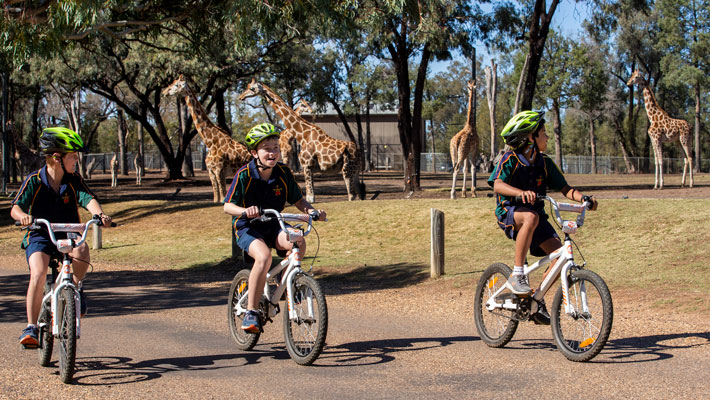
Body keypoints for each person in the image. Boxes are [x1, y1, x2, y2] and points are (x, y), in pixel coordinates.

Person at [487, 111, 598, 325]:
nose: (547, 137)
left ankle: (536, 300)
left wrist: (584, 199)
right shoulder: (510, 159)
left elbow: (565, 188)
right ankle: (517, 274)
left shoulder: (545, 163)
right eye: (543, 133)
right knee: (529, 217)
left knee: (559, 256)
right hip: (509, 211)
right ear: (531, 137)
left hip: (537, 218)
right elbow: (497, 184)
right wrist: (520, 193)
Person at [11, 127, 113, 348]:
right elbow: (16, 208)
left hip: (68, 231)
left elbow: (88, 199)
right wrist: (24, 217)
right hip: (40, 233)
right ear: (57, 158)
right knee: (38, 273)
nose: (76, 160)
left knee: (82, 249)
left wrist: (99, 214)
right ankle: (31, 327)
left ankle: (74, 287)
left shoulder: (74, 180)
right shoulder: (34, 180)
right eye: (73, 156)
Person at [223, 123, 326, 334]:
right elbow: (227, 206)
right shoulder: (244, 175)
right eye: (266, 148)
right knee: (263, 257)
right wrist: (244, 211)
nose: (273, 152)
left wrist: (313, 211)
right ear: (254, 153)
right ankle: (251, 311)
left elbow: (299, 201)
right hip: (248, 228)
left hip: (274, 224)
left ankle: (283, 283)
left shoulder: (283, 173)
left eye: (276, 147)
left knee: (298, 241)